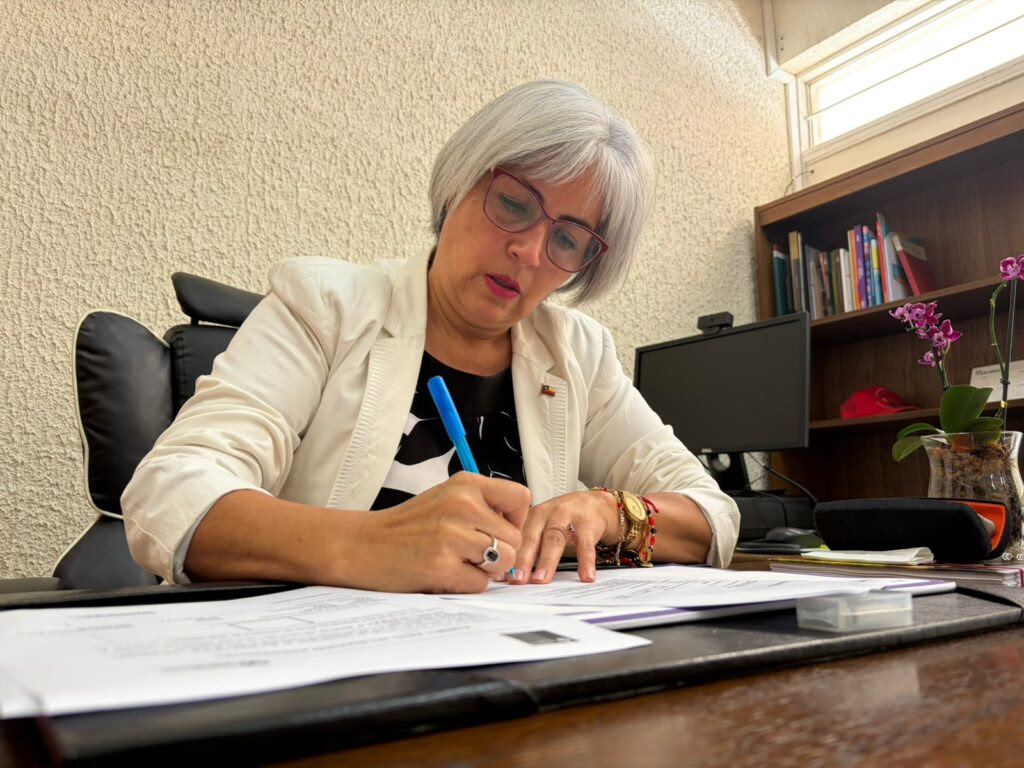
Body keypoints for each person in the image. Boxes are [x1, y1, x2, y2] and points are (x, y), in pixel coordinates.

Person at [122, 80, 739, 593]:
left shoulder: (577, 352)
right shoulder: (326, 306)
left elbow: (712, 514)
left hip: (513, 667)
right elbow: (169, 494)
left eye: (568, 239)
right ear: (458, 184)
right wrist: (369, 544)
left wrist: (613, 513)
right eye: (514, 204)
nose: (529, 251)